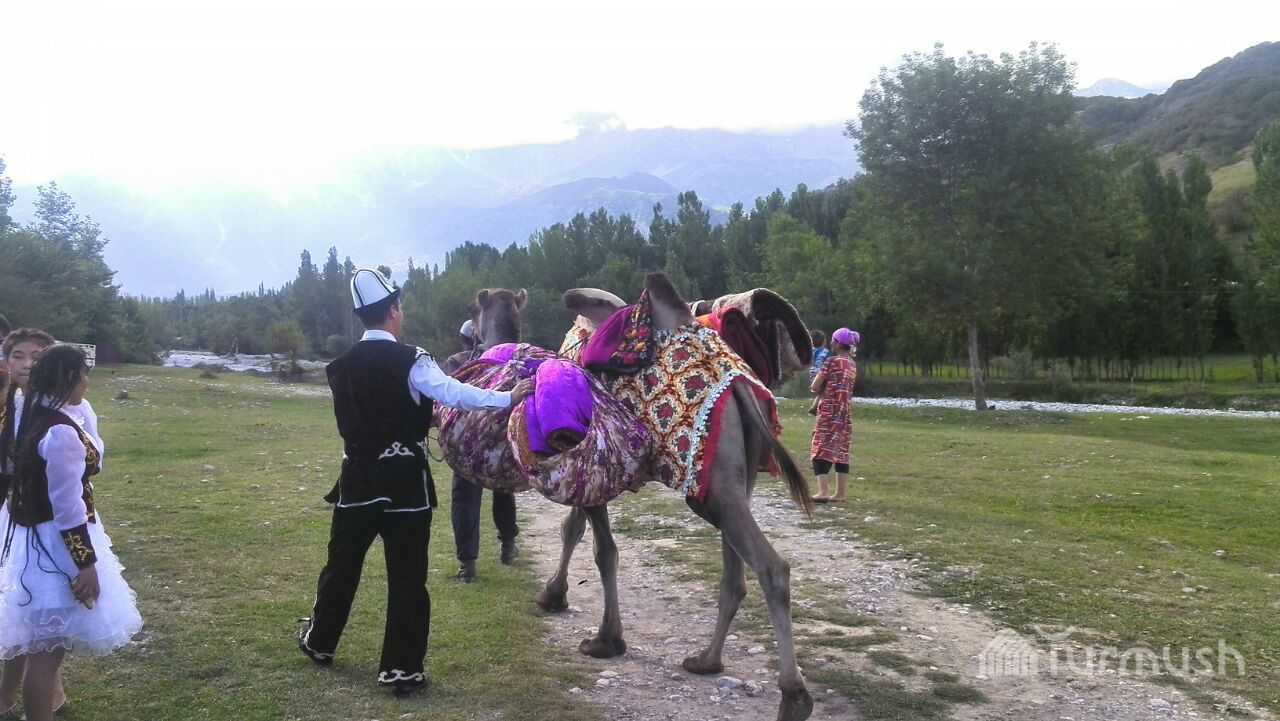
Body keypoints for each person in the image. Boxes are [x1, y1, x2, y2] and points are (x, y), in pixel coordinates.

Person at [297, 268, 533, 697]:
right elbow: (453, 394)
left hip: (357, 482)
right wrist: (507, 397)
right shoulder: (414, 359)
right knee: (407, 576)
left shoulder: (340, 366)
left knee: (341, 567)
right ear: (393, 310)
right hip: (407, 485)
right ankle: (402, 669)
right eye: (400, 307)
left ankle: (320, 642)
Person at [0, 344, 142, 721]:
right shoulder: (60, 431)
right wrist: (86, 565)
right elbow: (67, 509)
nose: (87, 382)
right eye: (83, 374)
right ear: (68, 378)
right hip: (57, 545)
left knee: (43, 648)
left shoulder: (37, 413)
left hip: (37, 539)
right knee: (46, 655)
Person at [0, 328, 56, 719]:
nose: (26, 364)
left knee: (33, 612)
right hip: (11, 514)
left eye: (36, 357)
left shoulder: (56, 407)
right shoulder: (13, 401)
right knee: (16, 610)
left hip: (40, 519)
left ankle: (24, 697)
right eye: (17, 356)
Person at [443, 320, 519, 583]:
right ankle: (508, 546)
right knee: (504, 492)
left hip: (466, 445)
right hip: (499, 442)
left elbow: (447, 401)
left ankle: (467, 565)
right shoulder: (505, 361)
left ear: (464, 339)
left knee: (464, 500)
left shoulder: (456, 362)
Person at [809, 327, 859, 503]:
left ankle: (823, 491)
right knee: (841, 450)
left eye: (833, 340)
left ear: (838, 343)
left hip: (829, 410)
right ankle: (840, 494)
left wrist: (816, 388)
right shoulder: (852, 364)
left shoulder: (831, 361)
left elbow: (815, 386)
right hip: (844, 412)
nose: (830, 342)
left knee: (821, 447)